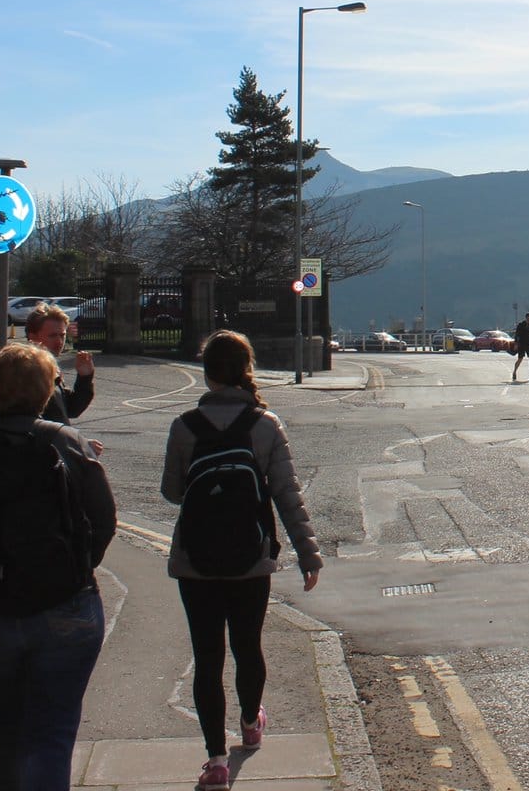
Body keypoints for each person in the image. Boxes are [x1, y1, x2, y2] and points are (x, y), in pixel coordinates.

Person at [0, 342, 116, 791]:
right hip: (68, 605)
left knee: (7, 732)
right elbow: (104, 522)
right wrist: (77, 567)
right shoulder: (69, 443)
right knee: (52, 733)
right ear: (45, 391)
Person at [163, 331, 322, 791]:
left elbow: (172, 492)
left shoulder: (183, 426)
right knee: (247, 646)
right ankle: (251, 724)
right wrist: (308, 555)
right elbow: (287, 495)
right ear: (246, 368)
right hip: (251, 559)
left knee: (207, 657)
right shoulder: (265, 424)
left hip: (194, 561)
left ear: (207, 371)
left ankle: (214, 760)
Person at [25, 302, 104, 456]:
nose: (59, 341)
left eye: (62, 335)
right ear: (32, 337)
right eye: (52, 335)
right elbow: (33, 424)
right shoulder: (27, 371)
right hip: (40, 458)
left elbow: (70, 409)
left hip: (55, 454)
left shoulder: (51, 367)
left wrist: (85, 377)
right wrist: (78, 443)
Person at [512, 312, 529, 381]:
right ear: (526, 317)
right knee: (520, 359)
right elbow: (517, 335)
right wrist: (516, 344)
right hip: (522, 344)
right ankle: (514, 372)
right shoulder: (521, 325)